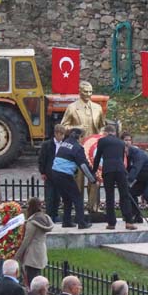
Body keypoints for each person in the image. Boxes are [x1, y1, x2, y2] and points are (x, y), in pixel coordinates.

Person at [61, 80, 107, 210]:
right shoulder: (72, 107)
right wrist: (77, 127)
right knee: (78, 180)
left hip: (93, 149)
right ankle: (78, 207)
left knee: (94, 178)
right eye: (85, 92)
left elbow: (102, 127)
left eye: (90, 92)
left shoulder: (97, 108)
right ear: (79, 92)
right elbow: (63, 126)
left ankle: (93, 207)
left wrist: (101, 137)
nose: (88, 94)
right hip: (78, 148)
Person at [93, 124, 136, 231]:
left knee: (110, 196)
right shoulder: (121, 142)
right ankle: (129, 222)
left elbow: (97, 157)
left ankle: (111, 223)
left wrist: (93, 171)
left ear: (106, 133)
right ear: (114, 133)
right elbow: (122, 158)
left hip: (108, 171)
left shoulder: (102, 141)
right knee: (124, 195)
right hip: (121, 170)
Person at [50, 128, 95, 230]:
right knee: (78, 198)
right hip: (64, 174)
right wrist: (92, 179)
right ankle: (82, 223)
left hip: (55, 173)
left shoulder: (65, 143)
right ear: (79, 137)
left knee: (67, 198)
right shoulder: (77, 148)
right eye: (82, 137)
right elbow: (83, 166)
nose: (83, 139)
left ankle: (66, 221)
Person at [14, 198, 54, 286]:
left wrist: (17, 255)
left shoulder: (32, 222)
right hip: (40, 250)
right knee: (37, 276)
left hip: (31, 253)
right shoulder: (44, 218)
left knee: (31, 279)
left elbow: (26, 240)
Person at [38, 125, 66, 222]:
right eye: (60, 134)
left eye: (63, 135)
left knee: (57, 196)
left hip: (59, 174)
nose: (62, 137)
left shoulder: (64, 145)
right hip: (49, 174)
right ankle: (49, 215)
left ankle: (55, 214)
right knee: (49, 197)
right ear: (56, 134)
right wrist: (42, 172)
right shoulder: (47, 145)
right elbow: (42, 159)